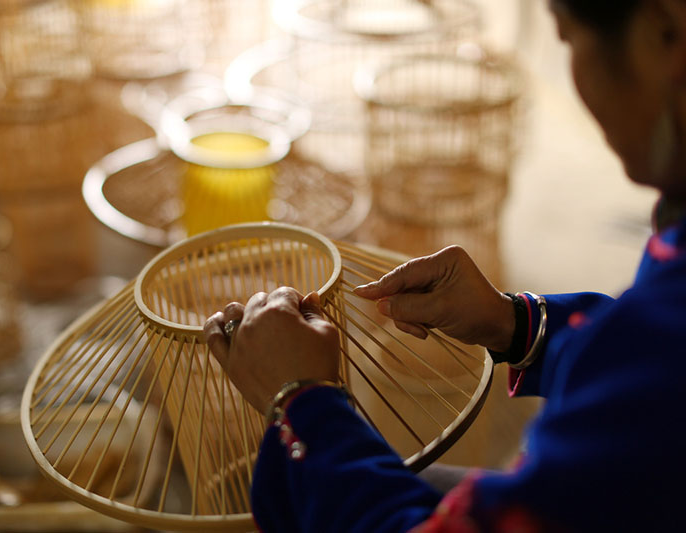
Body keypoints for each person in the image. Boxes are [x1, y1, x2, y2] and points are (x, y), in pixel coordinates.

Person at [203, 1, 686, 530]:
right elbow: (634, 355)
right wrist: (516, 323)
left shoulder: (658, 350)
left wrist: (300, 400)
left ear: (661, 34)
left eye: (568, 38)